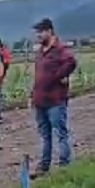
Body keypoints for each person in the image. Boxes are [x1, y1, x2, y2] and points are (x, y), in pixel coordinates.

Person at [30, 18, 77, 178]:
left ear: (49, 31)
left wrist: (59, 76)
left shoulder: (59, 49)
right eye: (37, 32)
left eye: (41, 32)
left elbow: (71, 62)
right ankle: (44, 166)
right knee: (45, 135)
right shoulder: (40, 52)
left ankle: (65, 165)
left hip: (55, 100)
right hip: (40, 99)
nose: (38, 35)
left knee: (60, 133)